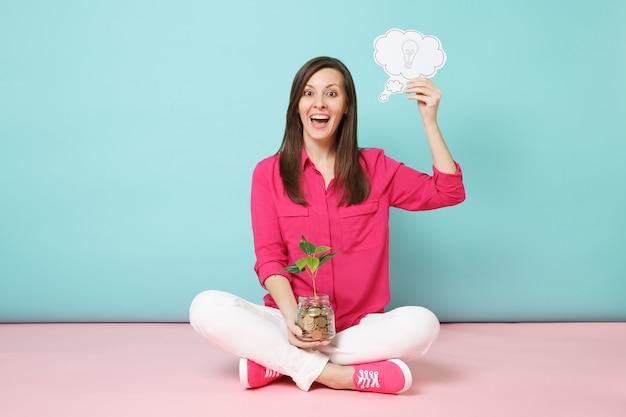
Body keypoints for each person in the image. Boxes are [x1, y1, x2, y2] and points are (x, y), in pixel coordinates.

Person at [189, 56, 465, 394]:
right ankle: (336, 374)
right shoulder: (268, 173)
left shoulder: (376, 167)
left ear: (347, 106)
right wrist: (292, 320)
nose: (319, 103)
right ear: (297, 105)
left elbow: (447, 192)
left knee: (424, 324)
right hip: (289, 319)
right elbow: (269, 258)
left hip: (358, 328)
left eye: (332, 94)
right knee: (205, 307)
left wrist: (429, 122)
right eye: (309, 93)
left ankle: (280, 363)